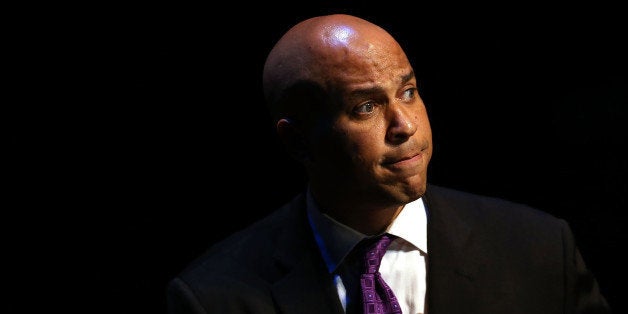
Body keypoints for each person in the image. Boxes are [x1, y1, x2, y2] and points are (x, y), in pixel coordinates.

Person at [166, 13, 611, 314]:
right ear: (297, 142)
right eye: (365, 107)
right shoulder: (213, 297)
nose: (405, 125)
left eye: (408, 92)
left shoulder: (539, 250)